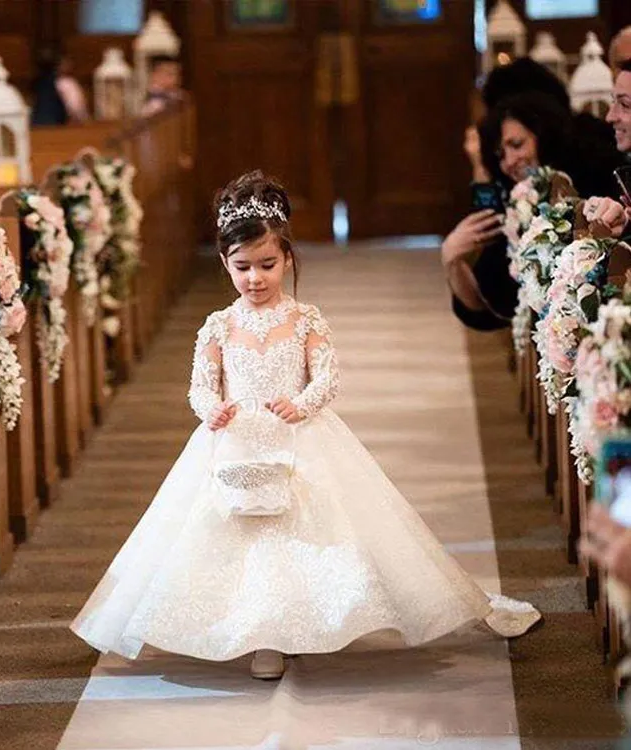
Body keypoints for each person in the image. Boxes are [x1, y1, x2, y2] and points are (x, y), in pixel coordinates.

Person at [71, 170, 541, 681]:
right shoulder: (219, 325)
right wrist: (211, 409)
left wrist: (303, 402)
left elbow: (328, 375)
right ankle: (258, 632)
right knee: (238, 531)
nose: (255, 278)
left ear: (288, 259)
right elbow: (200, 385)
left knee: (311, 526)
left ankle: (301, 623)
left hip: (300, 436)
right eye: (242, 267)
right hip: (234, 444)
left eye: (268, 265)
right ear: (225, 264)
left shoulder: (305, 319)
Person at [444, 90, 624, 331]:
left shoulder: (593, 179)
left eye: (516, 145)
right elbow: (491, 307)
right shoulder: (516, 198)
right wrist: (451, 260)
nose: (509, 161)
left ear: (545, 136)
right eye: (500, 154)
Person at [31, 48, 89, 126]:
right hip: (57, 125)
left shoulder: (40, 82)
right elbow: (75, 109)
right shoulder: (66, 83)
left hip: (39, 126)